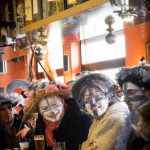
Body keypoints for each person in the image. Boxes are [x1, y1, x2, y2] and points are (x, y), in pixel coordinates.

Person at [25, 81, 92, 150]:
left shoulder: (81, 121)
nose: (52, 111)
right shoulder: (41, 122)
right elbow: (34, 146)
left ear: (62, 101)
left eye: (54, 105)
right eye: (45, 108)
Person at [71, 73, 129, 150]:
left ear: (109, 96)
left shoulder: (116, 117)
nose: (93, 102)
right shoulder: (99, 118)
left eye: (97, 96)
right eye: (87, 98)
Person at [115, 64, 150, 150]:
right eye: (124, 94)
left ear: (148, 92)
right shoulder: (131, 121)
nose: (125, 100)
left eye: (131, 93)